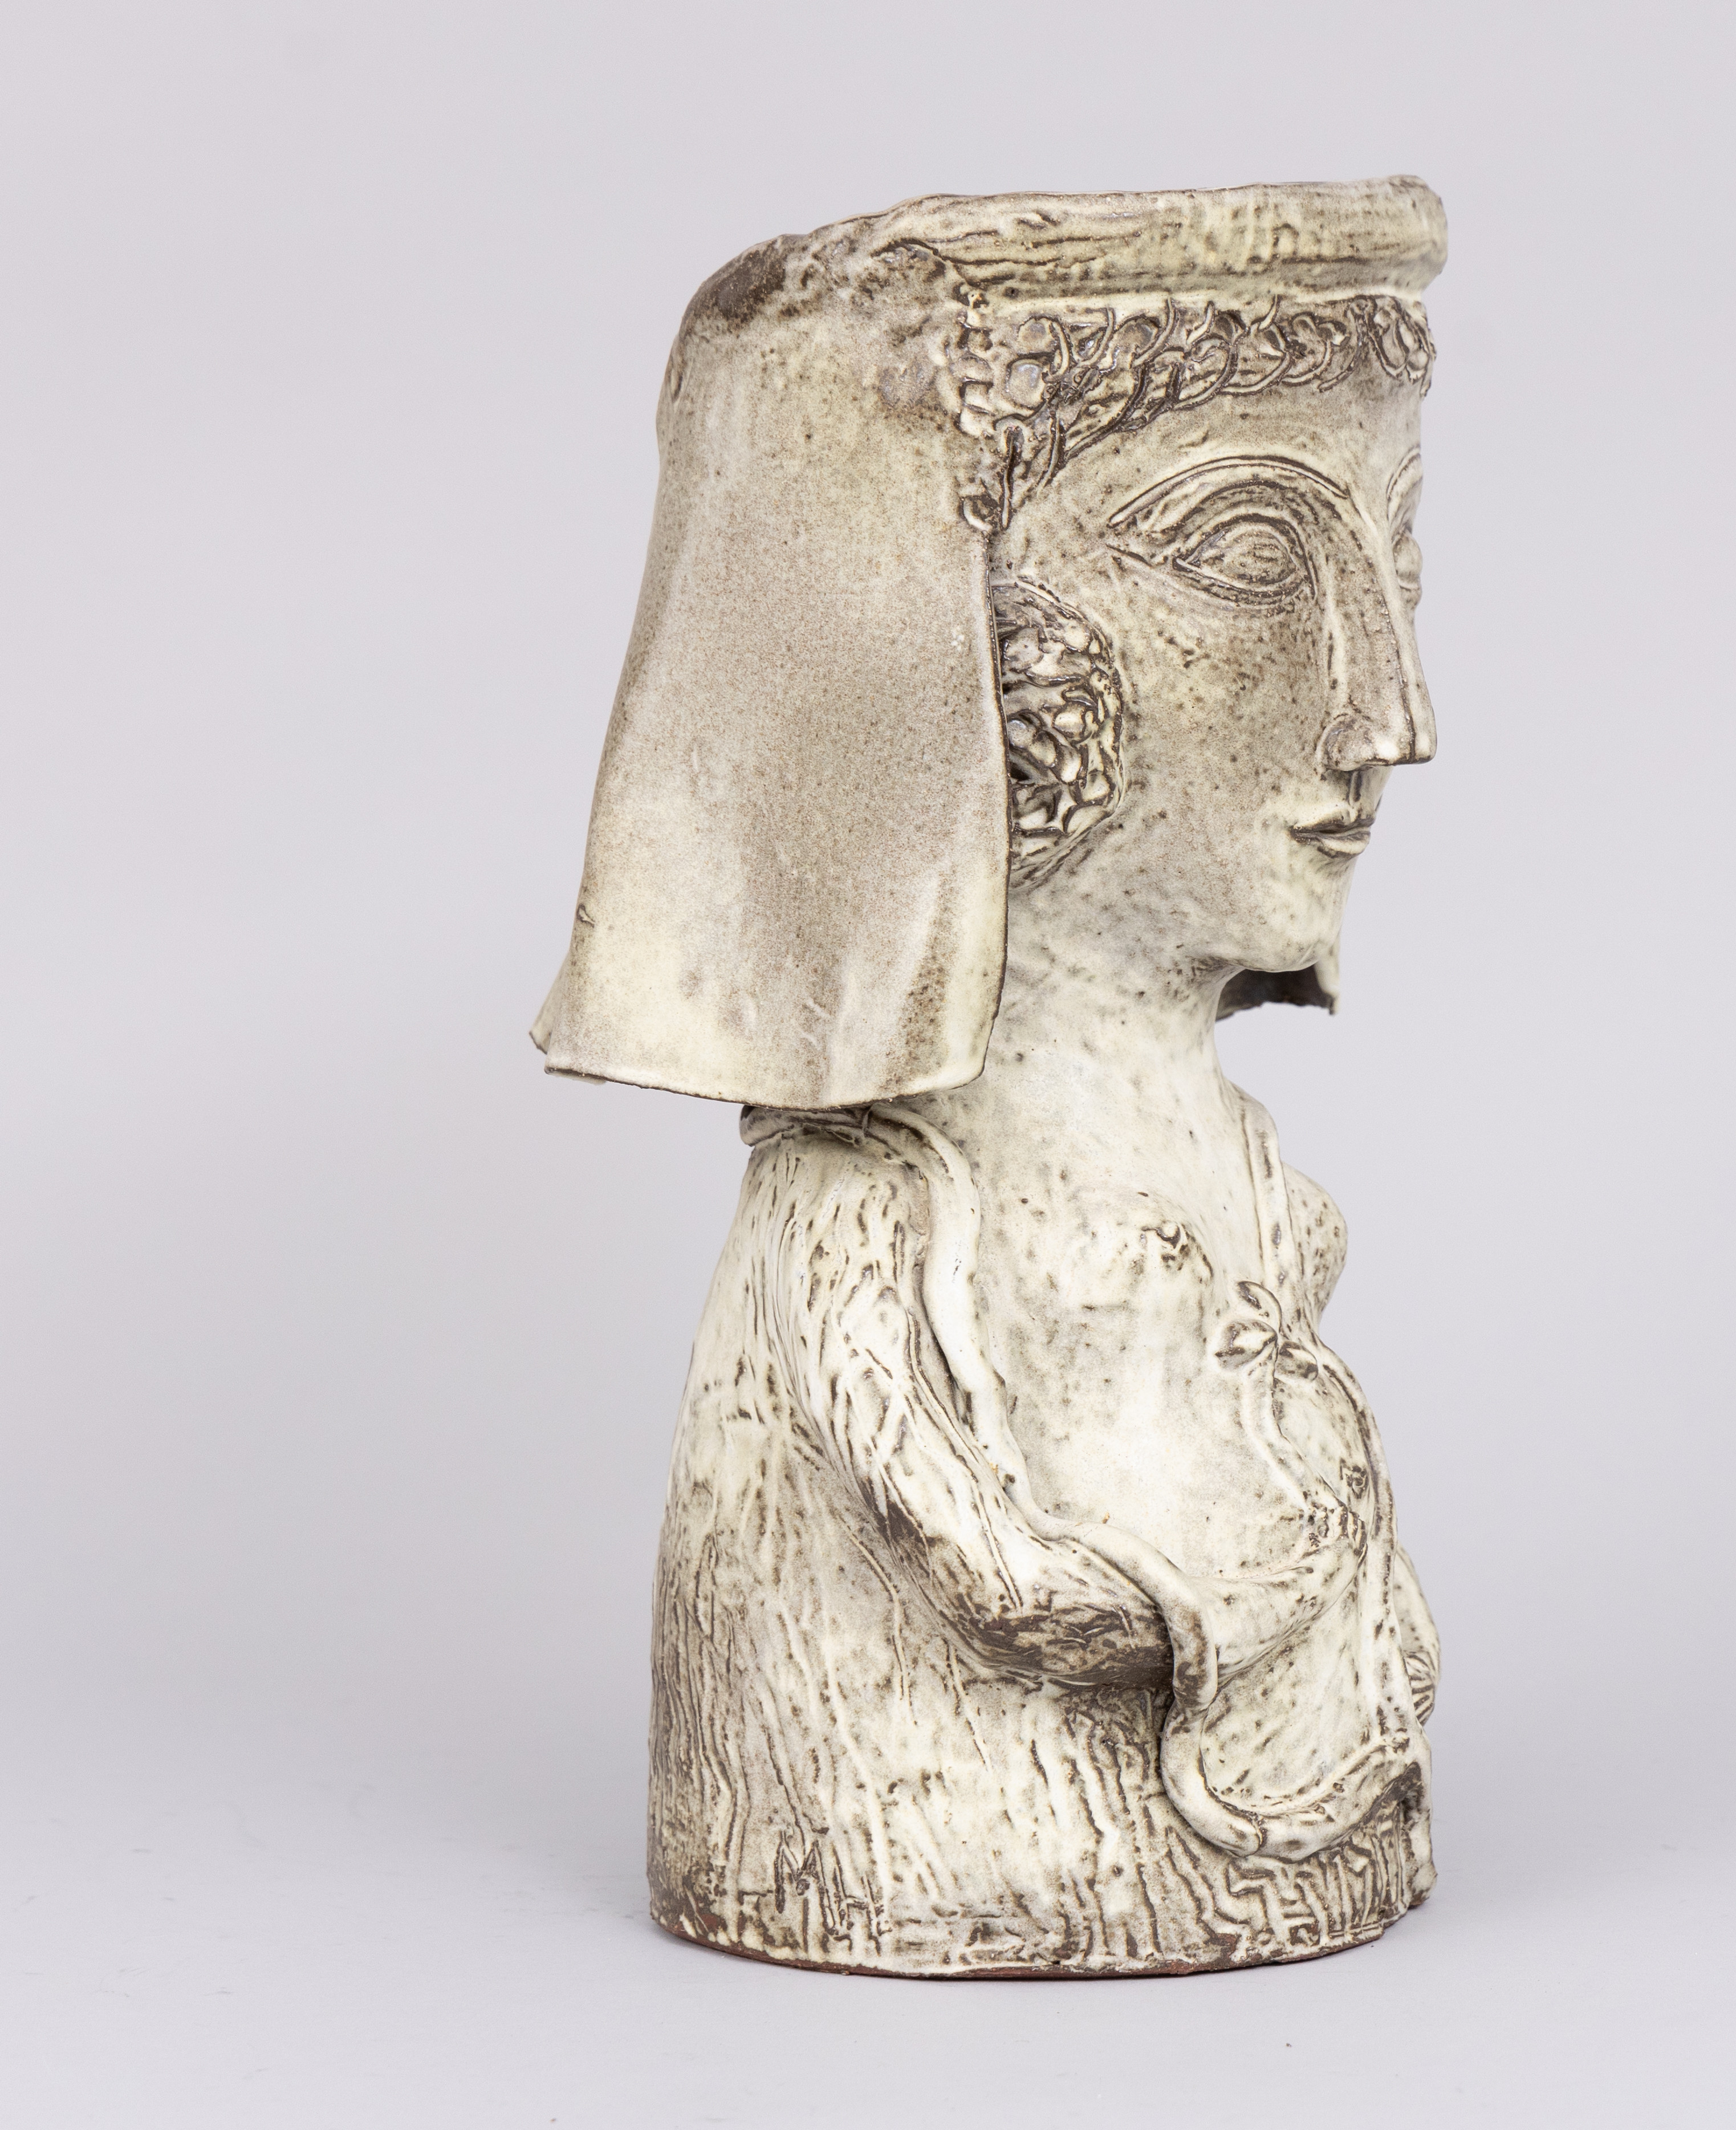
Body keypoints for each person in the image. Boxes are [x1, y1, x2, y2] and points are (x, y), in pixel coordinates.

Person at [535, 178, 1449, 1975]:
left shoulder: (1229, 1143)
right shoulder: (873, 1192)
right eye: (1252, 560)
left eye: (1396, 561)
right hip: (957, 1822)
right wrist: (1128, 1612)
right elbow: (949, 1520)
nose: (1388, 712)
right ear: (918, 637)